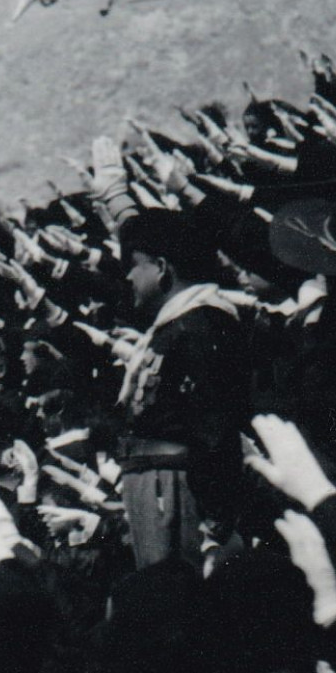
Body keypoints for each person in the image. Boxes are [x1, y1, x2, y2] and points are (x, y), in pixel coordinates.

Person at [116, 209, 251, 567]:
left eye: (134, 265)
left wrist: (216, 525)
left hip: (177, 490)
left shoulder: (201, 325)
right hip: (155, 486)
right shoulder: (175, 326)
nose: (128, 276)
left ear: (161, 267)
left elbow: (213, 428)